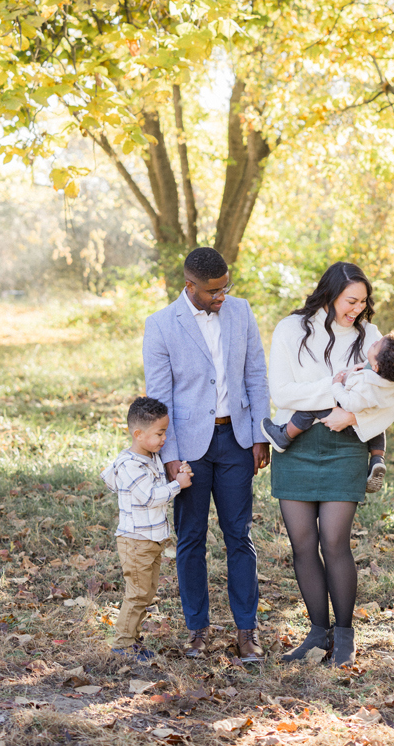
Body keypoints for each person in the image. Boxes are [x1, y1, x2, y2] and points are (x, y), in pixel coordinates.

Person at [143, 247, 271, 661]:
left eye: (226, 287)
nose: (222, 296)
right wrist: (171, 458)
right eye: (214, 291)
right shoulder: (162, 325)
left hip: (235, 440)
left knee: (240, 536)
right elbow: (160, 397)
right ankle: (196, 629)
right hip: (189, 450)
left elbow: (255, 374)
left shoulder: (241, 311)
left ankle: (246, 630)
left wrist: (259, 436)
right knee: (191, 538)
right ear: (190, 287)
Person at [267, 261, 390, 667]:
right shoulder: (290, 329)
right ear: (330, 293)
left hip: (344, 445)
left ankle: (345, 636)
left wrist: (354, 415)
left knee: (334, 541)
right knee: (302, 545)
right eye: (350, 301)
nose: (357, 309)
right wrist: (334, 387)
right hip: (297, 445)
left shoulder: (369, 335)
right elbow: (281, 391)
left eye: (363, 302)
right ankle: (317, 635)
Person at [262, 330, 394, 492]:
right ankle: (377, 458)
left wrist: (336, 385)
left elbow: (351, 404)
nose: (374, 342)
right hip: (368, 422)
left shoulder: (366, 382)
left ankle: (284, 436)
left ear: (376, 366)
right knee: (378, 427)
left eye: (376, 345)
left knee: (310, 408)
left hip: (347, 421)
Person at [101, 396, 193, 660]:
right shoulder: (130, 464)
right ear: (139, 434)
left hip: (151, 539)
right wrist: (179, 485)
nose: (164, 439)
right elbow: (151, 496)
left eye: (165, 432)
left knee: (146, 592)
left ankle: (133, 638)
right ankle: (122, 645)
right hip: (136, 540)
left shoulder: (150, 455)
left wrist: (178, 474)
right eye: (160, 433)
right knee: (138, 593)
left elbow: (157, 483)